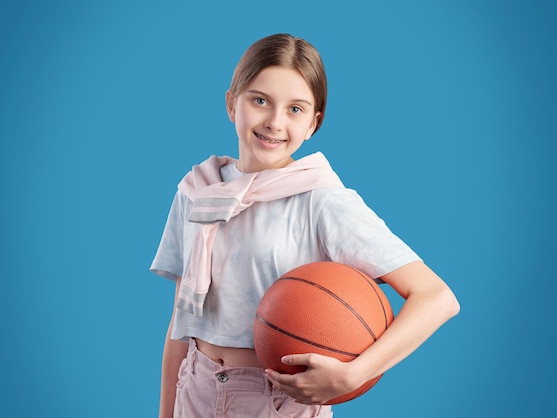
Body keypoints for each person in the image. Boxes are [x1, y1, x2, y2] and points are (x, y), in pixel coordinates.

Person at [150, 33, 460, 418]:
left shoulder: (321, 200)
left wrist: (355, 374)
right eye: (260, 100)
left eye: (295, 109)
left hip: (278, 401)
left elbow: (437, 298)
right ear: (232, 103)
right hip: (194, 390)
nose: (274, 122)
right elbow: (179, 324)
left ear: (313, 123)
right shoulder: (199, 190)